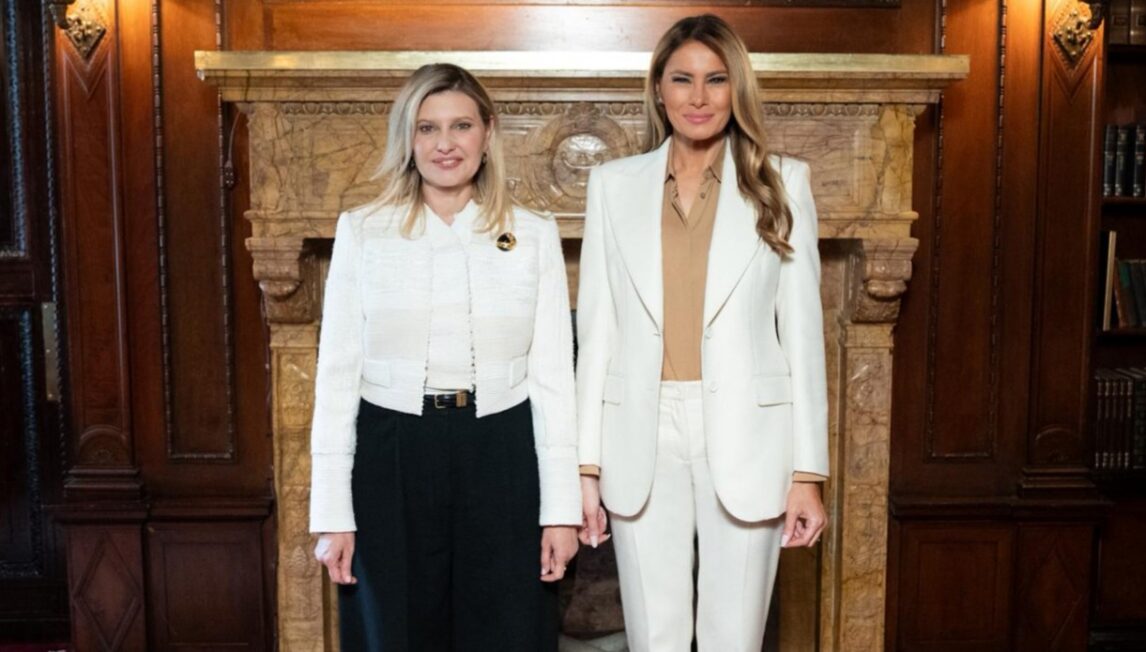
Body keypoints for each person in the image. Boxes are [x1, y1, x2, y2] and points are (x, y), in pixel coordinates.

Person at [575, 14, 830, 651]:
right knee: (653, 637)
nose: (698, 96)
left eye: (716, 79)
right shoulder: (612, 186)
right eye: (682, 79)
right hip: (640, 428)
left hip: (749, 431)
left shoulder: (784, 182)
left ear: (736, 88)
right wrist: (584, 467)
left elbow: (804, 336)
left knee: (733, 638)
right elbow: (597, 332)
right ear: (658, 89)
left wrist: (808, 473)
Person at [309, 62, 581, 651]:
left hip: (503, 450)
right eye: (427, 128)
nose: (445, 144)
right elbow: (335, 379)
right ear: (407, 139)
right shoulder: (364, 231)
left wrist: (561, 511)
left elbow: (555, 381)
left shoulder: (533, 233)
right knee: (396, 634)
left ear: (487, 133)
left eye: (461, 126)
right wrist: (332, 514)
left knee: (508, 633)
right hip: (391, 453)